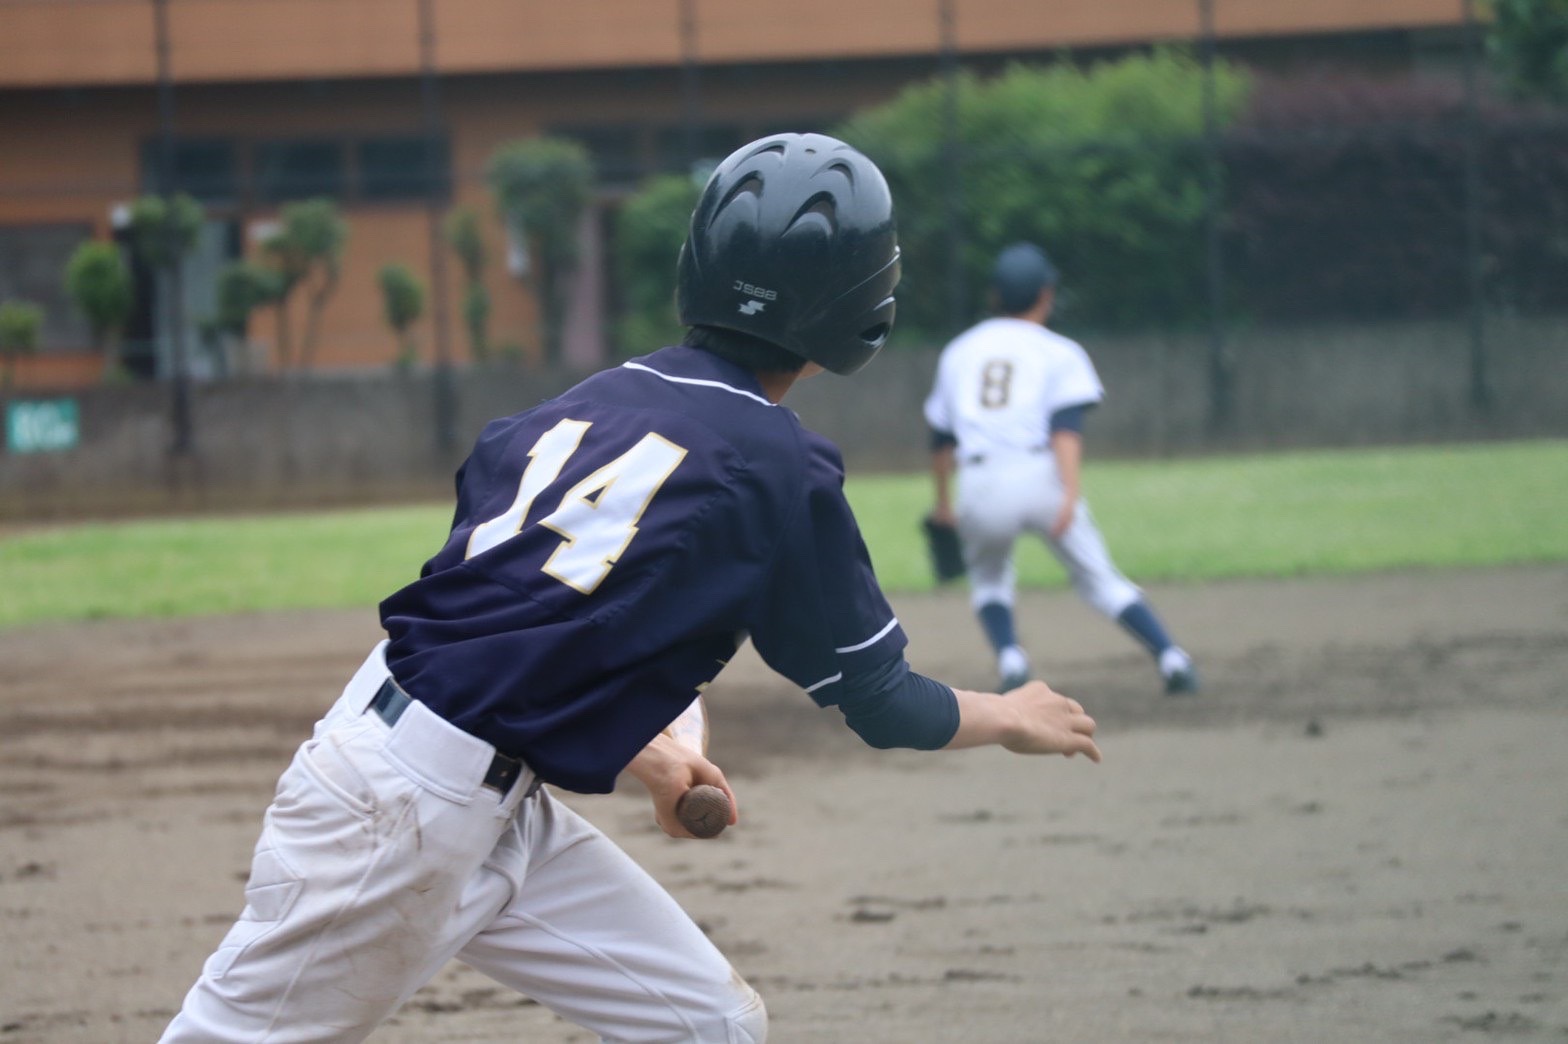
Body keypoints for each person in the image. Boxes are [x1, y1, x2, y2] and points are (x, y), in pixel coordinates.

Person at [160, 136, 1101, 1044]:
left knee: (706, 1024)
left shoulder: (598, 396)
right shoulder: (780, 465)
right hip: (399, 816)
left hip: (466, 790)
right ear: (863, 302)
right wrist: (1010, 712)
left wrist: (646, 750)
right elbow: (885, 704)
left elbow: (531, 610)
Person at [923, 242, 1199, 697]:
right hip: (1040, 476)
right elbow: (1065, 430)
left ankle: (1012, 658)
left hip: (978, 482)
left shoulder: (958, 351)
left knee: (990, 579)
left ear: (994, 296)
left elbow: (940, 440)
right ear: (1046, 295)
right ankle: (1172, 658)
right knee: (1098, 578)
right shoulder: (1059, 351)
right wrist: (1070, 493)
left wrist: (943, 504)